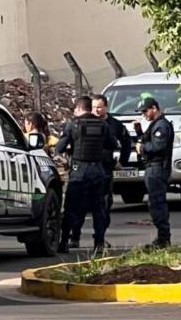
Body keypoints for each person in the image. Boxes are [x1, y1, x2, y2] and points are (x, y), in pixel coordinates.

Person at [66, 94, 132, 249]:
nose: (96, 110)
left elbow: (124, 142)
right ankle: (75, 236)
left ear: (106, 107)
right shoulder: (79, 124)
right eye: (94, 107)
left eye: (99, 107)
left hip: (103, 172)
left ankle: (99, 240)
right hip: (84, 169)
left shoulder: (112, 125)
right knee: (79, 207)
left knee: (102, 209)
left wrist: (122, 161)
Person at [56, 96, 117, 254]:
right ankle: (99, 244)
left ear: (78, 108)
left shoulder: (73, 125)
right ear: (90, 108)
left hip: (79, 170)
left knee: (71, 207)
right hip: (97, 170)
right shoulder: (102, 125)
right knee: (99, 209)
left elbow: (60, 148)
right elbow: (112, 144)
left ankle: (64, 242)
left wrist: (70, 149)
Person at [134, 97, 174, 248]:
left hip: (157, 168)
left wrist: (143, 148)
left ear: (154, 108)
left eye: (145, 111)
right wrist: (139, 132)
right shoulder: (155, 124)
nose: (144, 114)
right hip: (153, 168)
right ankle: (162, 238)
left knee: (157, 203)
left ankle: (164, 239)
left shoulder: (162, 126)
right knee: (154, 203)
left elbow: (158, 146)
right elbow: (146, 140)